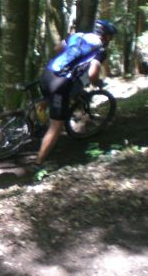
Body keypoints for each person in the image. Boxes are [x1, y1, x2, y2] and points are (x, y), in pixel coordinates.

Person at [36, 19, 117, 166]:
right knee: (56, 127)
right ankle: (38, 163)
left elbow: (57, 48)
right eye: (110, 37)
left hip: (48, 73)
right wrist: (96, 83)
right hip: (60, 83)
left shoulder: (78, 36)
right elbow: (92, 74)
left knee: (58, 95)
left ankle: (40, 108)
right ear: (106, 36)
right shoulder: (100, 50)